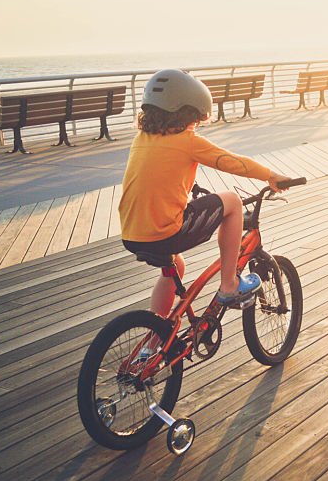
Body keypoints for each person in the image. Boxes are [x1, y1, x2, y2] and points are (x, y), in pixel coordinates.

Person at [118, 69, 291, 317]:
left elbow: (158, 176)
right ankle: (229, 284)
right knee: (232, 201)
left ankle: (154, 338)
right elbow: (232, 162)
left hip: (132, 234)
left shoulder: (142, 138)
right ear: (187, 113)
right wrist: (270, 175)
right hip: (165, 232)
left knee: (175, 266)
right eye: (195, 117)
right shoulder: (188, 141)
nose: (196, 123)